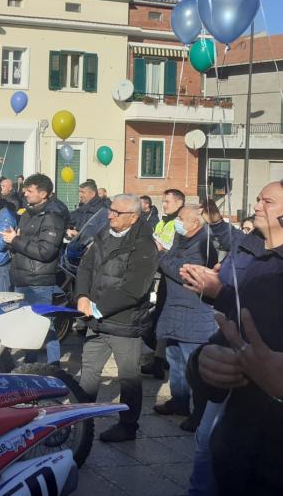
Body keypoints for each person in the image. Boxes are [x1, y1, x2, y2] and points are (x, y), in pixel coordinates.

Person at [181, 183, 283, 495]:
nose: (257, 205)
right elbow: (234, 319)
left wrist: (220, 294)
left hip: (269, 442)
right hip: (237, 419)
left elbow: (257, 317)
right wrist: (204, 361)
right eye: (257, 198)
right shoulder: (247, 245)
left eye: (267, 201)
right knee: (206, 452)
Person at [75, 193, 158, 442]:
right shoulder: (103, 235)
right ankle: (80, 420)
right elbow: (86, 267)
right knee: (88, 372)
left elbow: (134, 289)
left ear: (133, 217)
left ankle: (128, 426)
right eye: (110, 210)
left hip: (124, 322)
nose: (110, 215)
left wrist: (97, 308)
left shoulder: (144, 245)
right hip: (95, 320)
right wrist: (81, 296)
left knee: (129, 378)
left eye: (116, 212)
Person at [152, 205, 217, 432]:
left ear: (194, 224)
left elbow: (184, 272)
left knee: (195, 369)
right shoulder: (182, 238)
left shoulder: (204, 244)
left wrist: (160, 254)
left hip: (194, 316)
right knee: (175, 361)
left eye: (181, 218)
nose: (177, 222)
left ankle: (199, 414)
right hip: (173, 312)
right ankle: (179, 402)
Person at [0, 173, 68, 366]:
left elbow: (46, 252)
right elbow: (22, 242)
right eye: (25, 189)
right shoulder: (28, 213)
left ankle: (54, 364)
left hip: (38, 280)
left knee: (45, 325)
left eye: (30, 190)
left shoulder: (52, 217)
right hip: (21, 278)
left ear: (44, 194)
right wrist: (11, 240)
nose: (25, 193)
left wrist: (16, 240)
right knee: (28, 326)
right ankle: (30, 362)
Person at [143, 188, 187, 379]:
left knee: (165, 319)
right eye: (163, 201)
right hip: (161, 275)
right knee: (160, 317)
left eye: (167, 202)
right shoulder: (163, 221)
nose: (164, 205)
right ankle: (159, 359)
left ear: (179, 203)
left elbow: (173, 250)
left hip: (173, 277)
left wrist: (158, 246)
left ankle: (161, 360)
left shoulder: (180, 223)